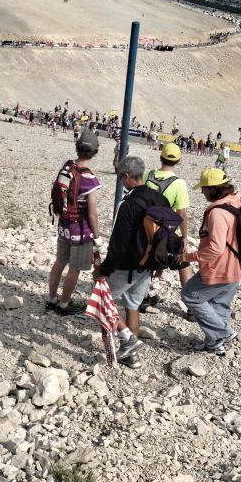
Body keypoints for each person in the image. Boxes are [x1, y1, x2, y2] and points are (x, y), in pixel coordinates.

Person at [93, 156, 170, 368]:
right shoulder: (159, 198)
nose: (120, 180)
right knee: (133, 305)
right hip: (149, 266)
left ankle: (128, 339)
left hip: (127, 266)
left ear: (126, 176)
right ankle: (131, 357)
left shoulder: (127, 205)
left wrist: (104, 269)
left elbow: (119, 243)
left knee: (102, 302)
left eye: (120, 177)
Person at [178, 168, 241, 355]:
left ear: (213, 189)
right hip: (238, 265)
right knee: (219, 303)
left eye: (204, 189)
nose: (202, 192)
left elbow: (216, 248)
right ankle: (214, 343)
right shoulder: (237, 200)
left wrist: (189, 257)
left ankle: (225, 332)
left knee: (190, 295)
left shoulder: (217, 213)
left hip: (221, 268)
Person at [48, 128, 102, 316]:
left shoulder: (67, 165)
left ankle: (52, 298)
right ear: (95, 151)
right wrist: (97, 235)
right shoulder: (90, 179)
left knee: (60, 261)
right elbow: (92, 212)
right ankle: (64, 304)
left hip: (63, 224)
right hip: (80, 229)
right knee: (75, 268)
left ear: (77, 148)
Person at [142, 143, 193, 310]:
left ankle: (142, 297)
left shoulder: (147, 176)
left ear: (160, 156)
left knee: (146, 259)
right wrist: (184, 237)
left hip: (146, 228)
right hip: (168, 231)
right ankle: (191, 308)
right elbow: (181, 214)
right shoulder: (179, 184)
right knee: (183, 262)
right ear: (178, 160)